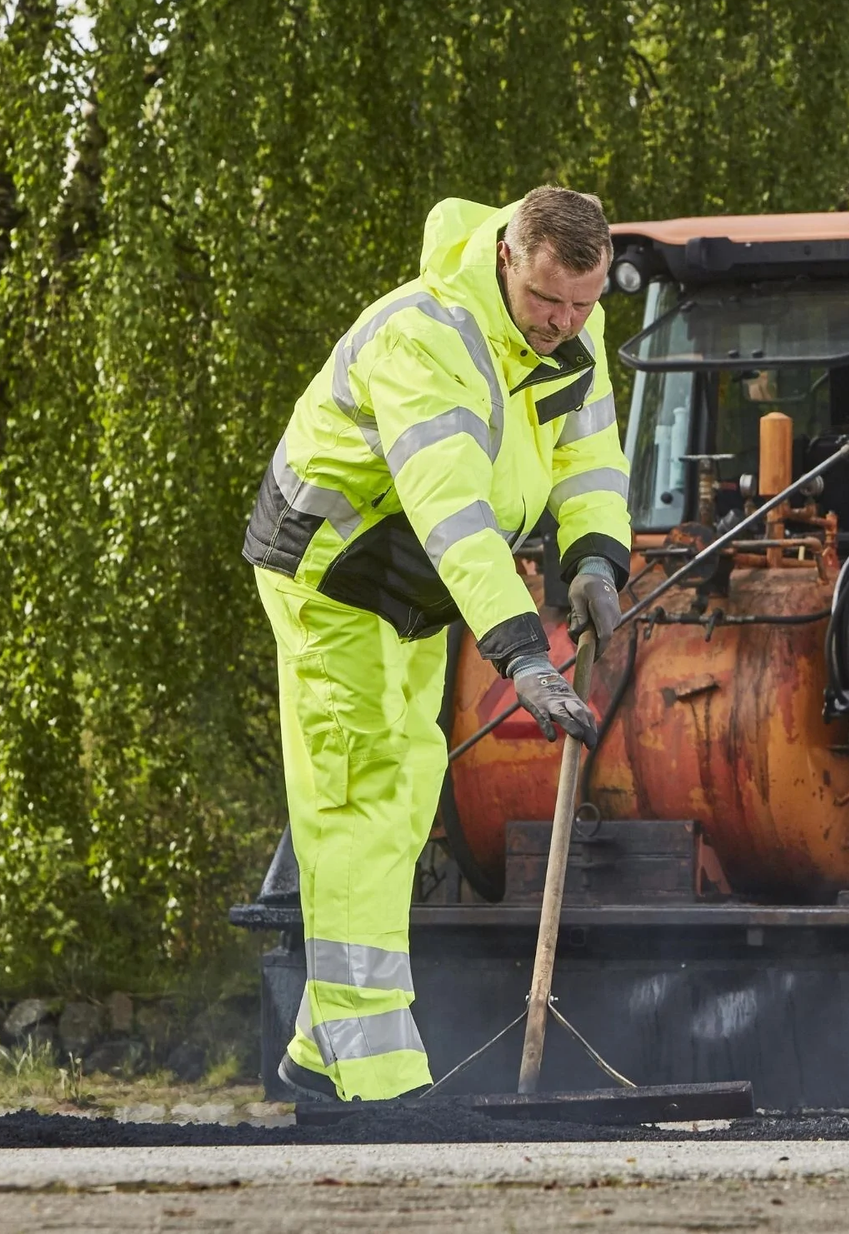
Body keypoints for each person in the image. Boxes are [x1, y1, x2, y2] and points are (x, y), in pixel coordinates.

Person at [241, 185, 635, 1102]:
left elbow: (589, 455)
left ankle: (312, 1052)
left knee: (410, 790)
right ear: (507, 257)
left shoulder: (577, 324)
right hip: (336, 569)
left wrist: (594, 559)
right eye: (548, 301)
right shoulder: (427, 338)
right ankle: (372, 1074)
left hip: (414, 584)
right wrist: (521, 654)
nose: (565, 322)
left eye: (584, 302)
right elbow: (454, 518)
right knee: (359, 796)